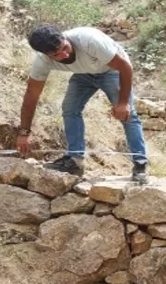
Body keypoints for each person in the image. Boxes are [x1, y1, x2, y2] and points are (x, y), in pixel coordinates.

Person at [16, 25, 148, 183]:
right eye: (57, 55)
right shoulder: (42, 60)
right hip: (83, 74)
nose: (65, 55)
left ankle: (141, 163)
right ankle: (75, 161)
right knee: (70, 109)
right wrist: (24, 133)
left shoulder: (89, 41)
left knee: (128, 115)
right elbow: (31, 95)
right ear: (46, 55)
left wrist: (123, 103)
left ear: (64, 37)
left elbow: (125, 67)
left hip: (111, 71)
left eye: (65, 47)